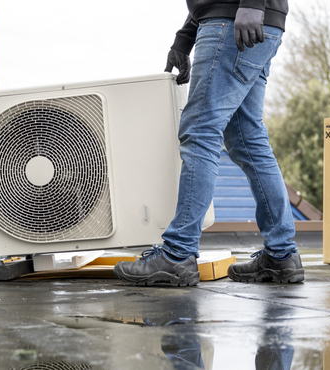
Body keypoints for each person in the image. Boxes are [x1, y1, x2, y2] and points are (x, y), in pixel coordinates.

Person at [114, 0, 303, 286]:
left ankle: (177, 256)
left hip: (234, 22)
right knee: (247, 140)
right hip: (247, 22)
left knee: (201, 132)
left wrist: (252, 3)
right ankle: (281, 255)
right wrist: (185, 37)